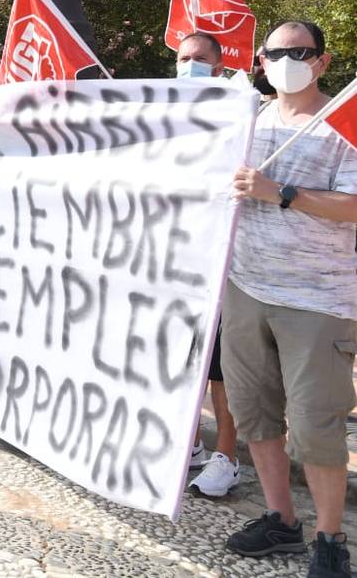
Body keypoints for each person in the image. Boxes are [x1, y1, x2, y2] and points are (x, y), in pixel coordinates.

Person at [223, 21, 357, 577]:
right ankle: (282, 521)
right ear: (261, 59)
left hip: (316, 300)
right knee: (255, 411)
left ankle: (330, 541)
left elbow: (354, 206)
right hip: (245, 288)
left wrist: (279, 192)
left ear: (322, 62)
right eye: (277, 52)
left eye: (300, 52)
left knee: (315, 425)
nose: (288, 61)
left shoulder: (344, 124)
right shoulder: (245, 119)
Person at [169, 32, 241, 497]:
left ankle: (227, 457)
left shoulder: (238, 111)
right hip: (177, 261)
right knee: (182, 358)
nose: (190, 65)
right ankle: (191, 442)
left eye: (199, 59)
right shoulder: (168, 112)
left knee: (219, 370)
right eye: (182, 58)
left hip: (224, 264)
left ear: (218, 66)